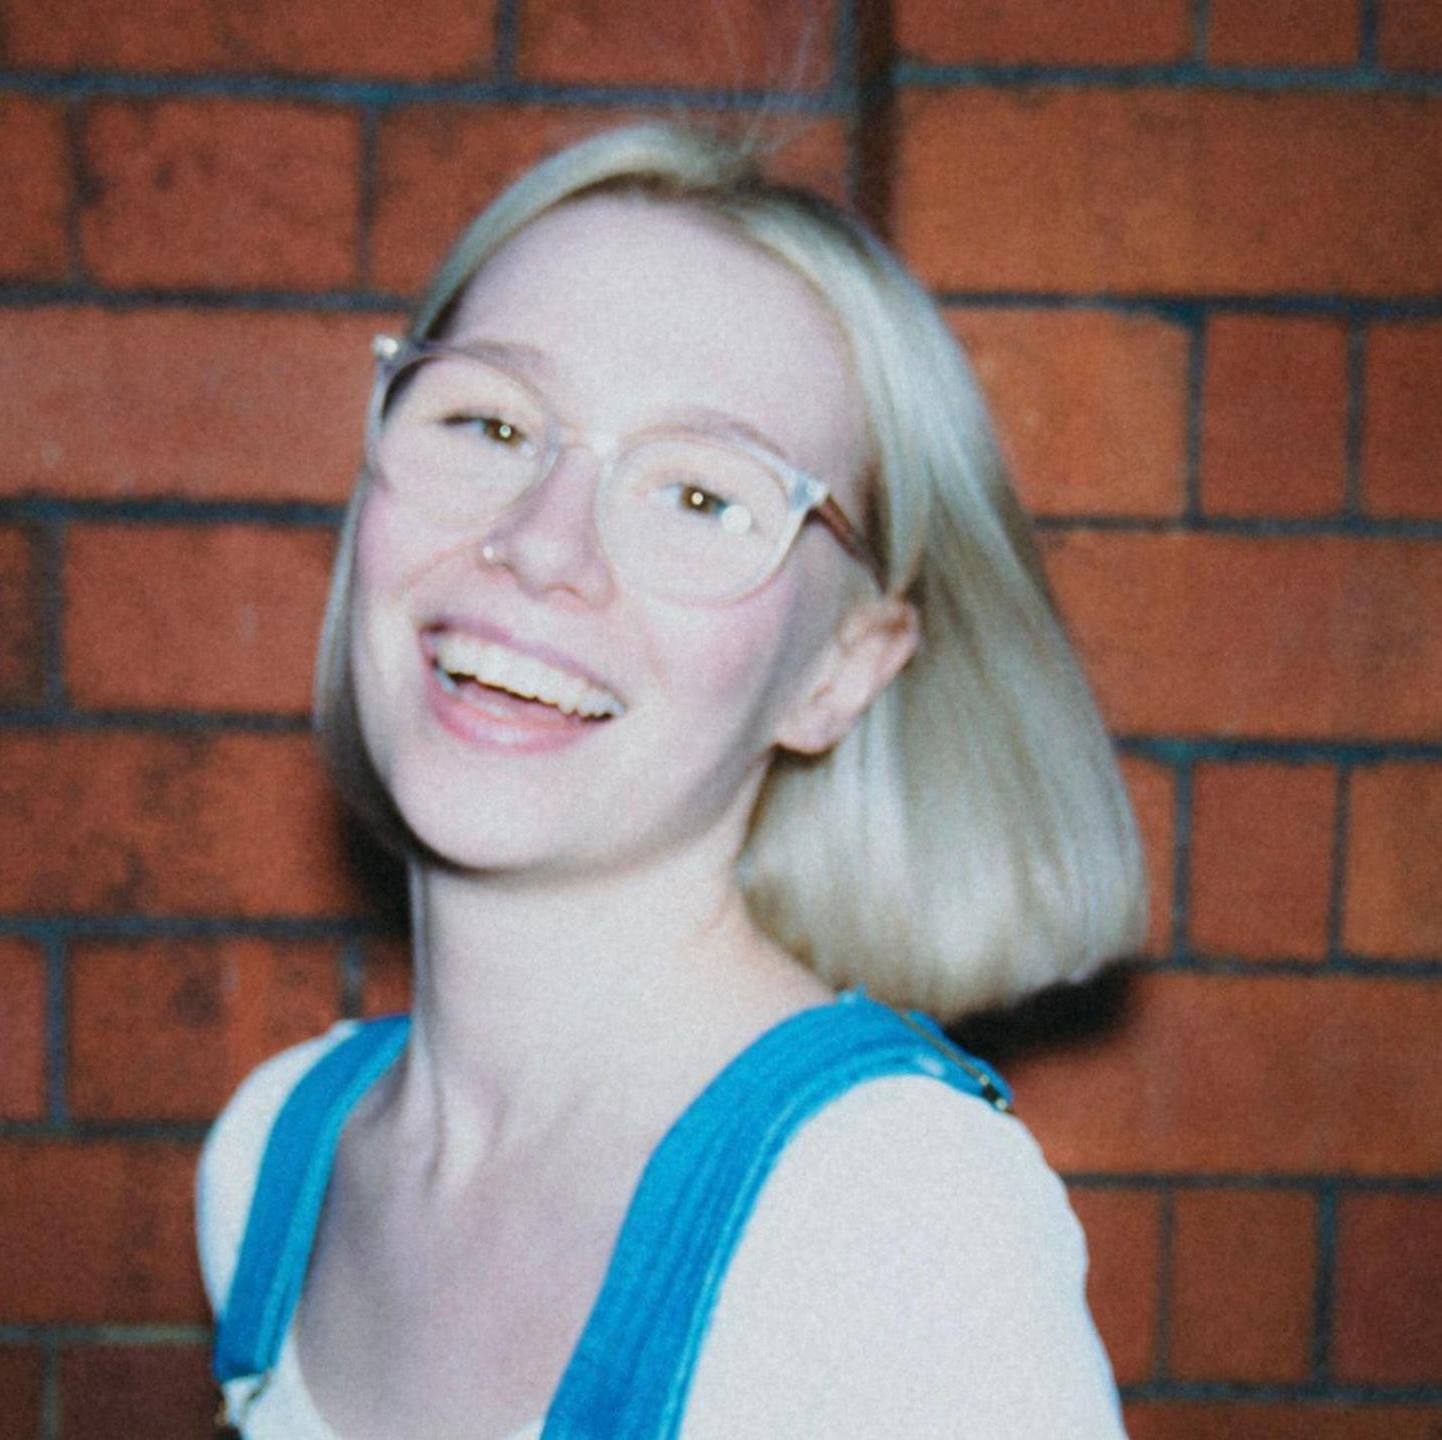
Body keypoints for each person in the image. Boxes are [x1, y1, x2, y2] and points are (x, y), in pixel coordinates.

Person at [195, 121, 1144, 1439]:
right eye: (489, 420)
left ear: (844, 670)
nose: (538, 545)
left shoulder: (892, 1222)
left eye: (702, 497)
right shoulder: (274, 1163)